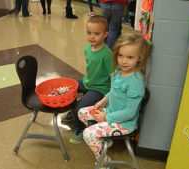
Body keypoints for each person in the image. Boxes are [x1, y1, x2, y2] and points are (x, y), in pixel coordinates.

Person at [78, 31, 150, 165]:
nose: (123, 61)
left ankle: (104, 162)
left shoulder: (135, 81)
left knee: (88, 134)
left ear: (139, 58)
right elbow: (114, 91)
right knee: (82, 112)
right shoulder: (118, 70)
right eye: (120, 55)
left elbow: (130, 113)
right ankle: (106, 139)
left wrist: (105, 118)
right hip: (110, 111)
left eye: (130, 57)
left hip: (124, 123)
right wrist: (103, 101)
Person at [62, 15, 113, 144]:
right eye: (89, 33)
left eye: (97, 33)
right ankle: (73, 113)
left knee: (80, 106)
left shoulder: (107, 55)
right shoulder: (87, 48)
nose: (92, 36)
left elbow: (114, 77)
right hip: (88, 81)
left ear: (105, 34)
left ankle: (79, 129)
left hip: (100, 88)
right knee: (68, 89)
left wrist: (108, 96)